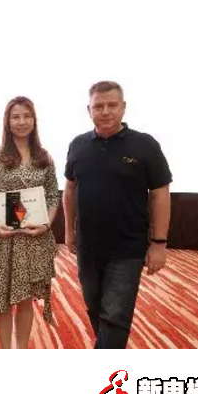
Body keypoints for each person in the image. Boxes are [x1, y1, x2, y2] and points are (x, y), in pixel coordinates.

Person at [63, 81, 172, 349]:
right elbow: (70, 190)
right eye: (98, 106)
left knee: (115, 314)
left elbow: (160, 194)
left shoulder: (145, 145)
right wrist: (69, 232)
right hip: (88, 247)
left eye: (112, 105)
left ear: (123, 107)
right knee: (94, 306)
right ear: (88, 110)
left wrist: (159, 243)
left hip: (128, 249)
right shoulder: (78, 145)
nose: (105, 111)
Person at [0, 96, 60, 349]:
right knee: (1, 298)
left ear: (34, 120)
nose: (22, 122)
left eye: (27, 116)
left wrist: (46, 225)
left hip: (33, 239)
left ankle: (20, 350)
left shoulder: (44, 157)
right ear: (7, 122)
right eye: (16, 117)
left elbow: (52, 196)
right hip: (1, 237)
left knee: (24, 299)